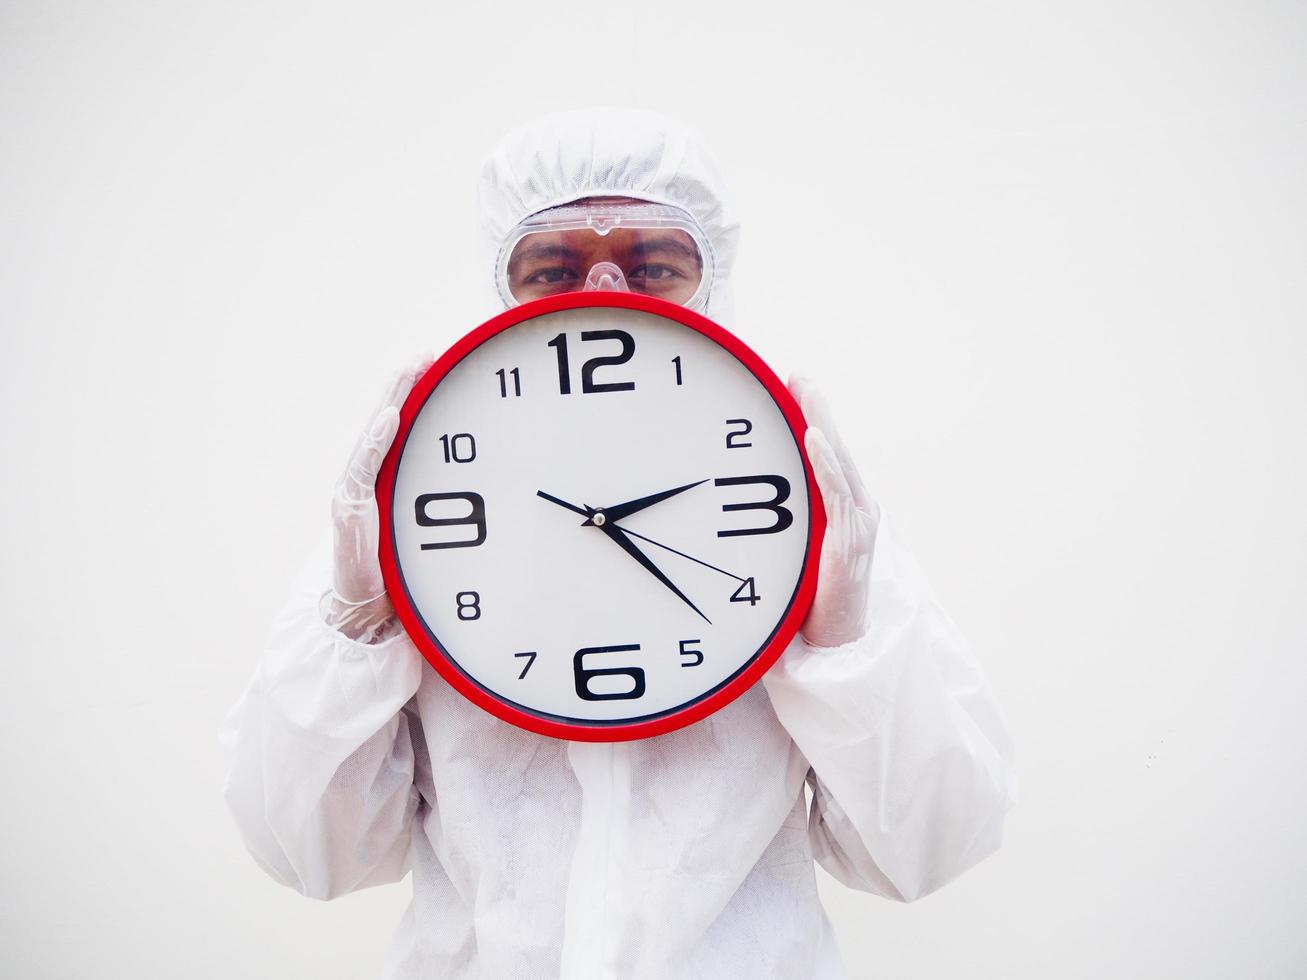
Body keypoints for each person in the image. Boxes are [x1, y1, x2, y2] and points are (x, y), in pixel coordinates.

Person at [222, 108, 1017, 979]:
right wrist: (354, 626)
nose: (606, 290)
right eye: (552, 268)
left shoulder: (800, 500)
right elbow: (310, 853)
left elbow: (929, 847)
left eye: (655, 265)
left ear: (707, 279)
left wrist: (843, 648)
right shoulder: (420, 505)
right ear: (505, 287)